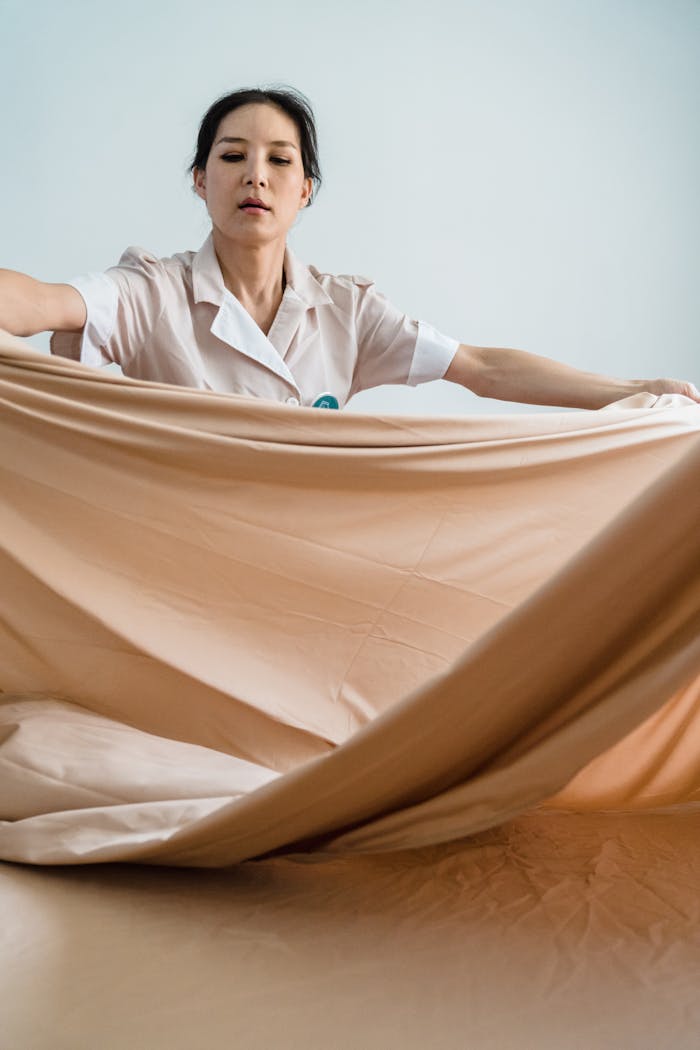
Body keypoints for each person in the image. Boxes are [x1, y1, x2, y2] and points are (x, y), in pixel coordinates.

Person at [1, 85, 698, 409]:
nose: (255, 175)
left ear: (306, 189)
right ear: (200, 180)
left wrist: (637, 391)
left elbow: (483, 368)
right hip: (182, 565)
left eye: (279, 160)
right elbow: (40, 302)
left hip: (313, 564)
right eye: (233, 155)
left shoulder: (347, 312)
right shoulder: (149, 292)